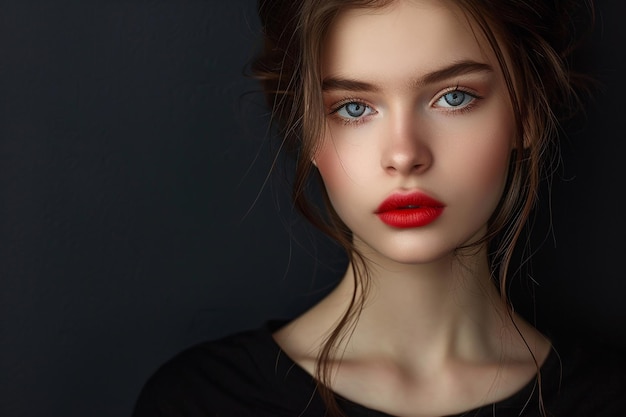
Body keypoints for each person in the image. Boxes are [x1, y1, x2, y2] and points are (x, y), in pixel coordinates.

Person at [132, 0, 626, 416]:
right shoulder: (203, 402)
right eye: (353, 108)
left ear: (527, 114)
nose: (404, 154)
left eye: (454, 97)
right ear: (306, 133)